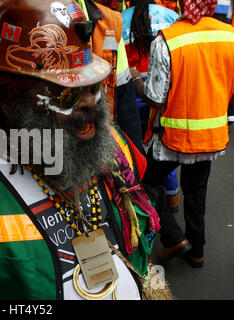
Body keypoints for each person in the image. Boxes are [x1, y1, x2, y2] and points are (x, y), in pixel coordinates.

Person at [0, 0, 166, 300]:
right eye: (66, 93)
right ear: (9, 100)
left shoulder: (114, 145)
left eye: (93, 86)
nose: (89, 102)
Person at [131, 0, 234, 268]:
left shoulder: (168, 39)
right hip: (211, 136)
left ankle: (173, 237)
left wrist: (136, 81)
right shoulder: (228, 35)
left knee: (144, 183)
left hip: (173, 138)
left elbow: (155, 98)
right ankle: (197, 252)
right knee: (196, 191)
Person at [122, 0, 181, 211]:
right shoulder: (170, 17)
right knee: (162, 149)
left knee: (135, 152)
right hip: (161, 98)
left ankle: (142, 203)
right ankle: (172, 201)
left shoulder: (120, 20)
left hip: (132, 99)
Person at [76, 0, 144, 154]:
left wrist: (135, 159)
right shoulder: (26, 19)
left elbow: (124, 94)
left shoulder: (109, 23)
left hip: (99, 142)